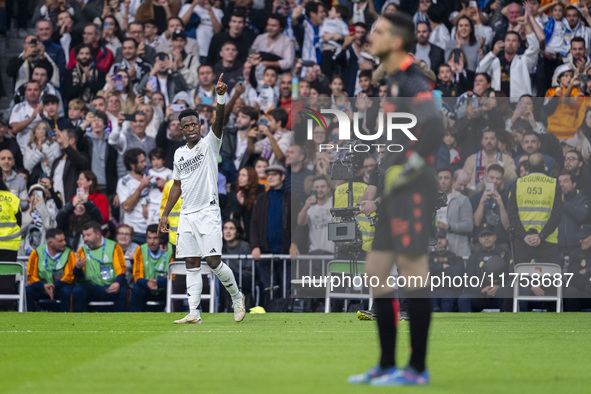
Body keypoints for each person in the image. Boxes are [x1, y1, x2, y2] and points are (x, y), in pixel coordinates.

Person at [348, 13, 444, 386]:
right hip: (393, 191)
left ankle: (417, 369)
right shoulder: (390, 80)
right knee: (375, 274)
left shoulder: (411, 78)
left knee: (415, 277)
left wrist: (411, 168)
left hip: (414, 190)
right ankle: (387, 364)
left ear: (398, 41)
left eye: (381, 31)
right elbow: (398, 142)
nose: (372, 35)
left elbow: (435, 125)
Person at [159, 74, 245, 324]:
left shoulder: (210, 143)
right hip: (186, 213)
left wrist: (220, 96)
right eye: (186, 125)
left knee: (214, 261)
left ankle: (237, 297)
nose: (191, 128)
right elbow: (177, 186)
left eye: (195, 124)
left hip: (207, 211)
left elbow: (220, 121)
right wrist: (165, 214)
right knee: (191, 263)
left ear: (200, 124)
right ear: (182, 129)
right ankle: (194, 312)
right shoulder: (178, 154)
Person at [507, 153, 563, 265]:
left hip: (523, 242)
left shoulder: (517, 184)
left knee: (522, 279)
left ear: (529, 167)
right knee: (549, 280)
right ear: (544, 165)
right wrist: (541, 236)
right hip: (547, 241)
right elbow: (557, 215)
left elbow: (512, 214)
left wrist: (524, 235)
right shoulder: (554, 184)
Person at [72, 221, 127, 312]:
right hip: (92, 288)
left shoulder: (114, 247)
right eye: (84, 235)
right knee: (78, 290)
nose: (85, 239)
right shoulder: (82, 251)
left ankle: (120, 323)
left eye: (88, 235)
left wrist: (117, 283)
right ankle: (79, 323)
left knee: (122, 290)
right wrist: (78, 268)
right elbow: (78, 277)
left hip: (110, 287)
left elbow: (121, 268)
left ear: (98, 234)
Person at [458, 224, 511, 312]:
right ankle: (467, 325)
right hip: (481, 294)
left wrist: (499, 287)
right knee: (464, 299)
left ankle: (505, 325)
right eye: (483, 236)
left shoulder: (505, 254)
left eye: (489, 235)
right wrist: (481, 289)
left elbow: (511, 277)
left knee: (506, 296)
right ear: (479, 239)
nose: (486, 238)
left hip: (499, 293)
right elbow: (469, 280)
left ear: (495, 237)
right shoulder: (474, 257)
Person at [26, 228, 75, 312]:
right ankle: (31, 320)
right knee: (28, 290)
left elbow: (70, 276)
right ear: (50, 243)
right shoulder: (36, 253)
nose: (65, 243)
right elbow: (31, 276)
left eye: (64, 240)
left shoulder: (69, 254)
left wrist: (56, 286)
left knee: (67, 291)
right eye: (61, 241)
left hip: (60, 288)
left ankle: (67, 320)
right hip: (43, 289)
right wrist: (43, 285)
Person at [131, 224, 173, 312]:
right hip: (147, 287)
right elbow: (137, 276)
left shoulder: (170, 250)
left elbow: (174, 277)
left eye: (155, 238)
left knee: (172, 287)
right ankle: (135, 319)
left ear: (161, 239)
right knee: (137, 289)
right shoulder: (140, 250)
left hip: (164, 287)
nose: (152, 242)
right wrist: (148, 283)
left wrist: (158, 282)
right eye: (149, 238)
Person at [436, 168, 473, 257]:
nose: (443, 181)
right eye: (440, 178)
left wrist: (449, 227)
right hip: (436, 251)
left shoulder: (462, 200)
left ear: (453, 180)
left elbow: (469, 225)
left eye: (446, 178)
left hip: (458, 251)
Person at [117, 148, 151, 245]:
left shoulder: (152, 177)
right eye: (141, 162)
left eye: (145, 161)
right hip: (135, 230)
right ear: (132, 165)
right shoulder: (124, 182)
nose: (145, 164)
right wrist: (140, 187)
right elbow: (127, 206)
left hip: (153, 230)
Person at [0, 178, 22, 263]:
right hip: (10, 246)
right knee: (8, 274)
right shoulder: (13, 199)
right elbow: (19, 223)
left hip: (10, 247)